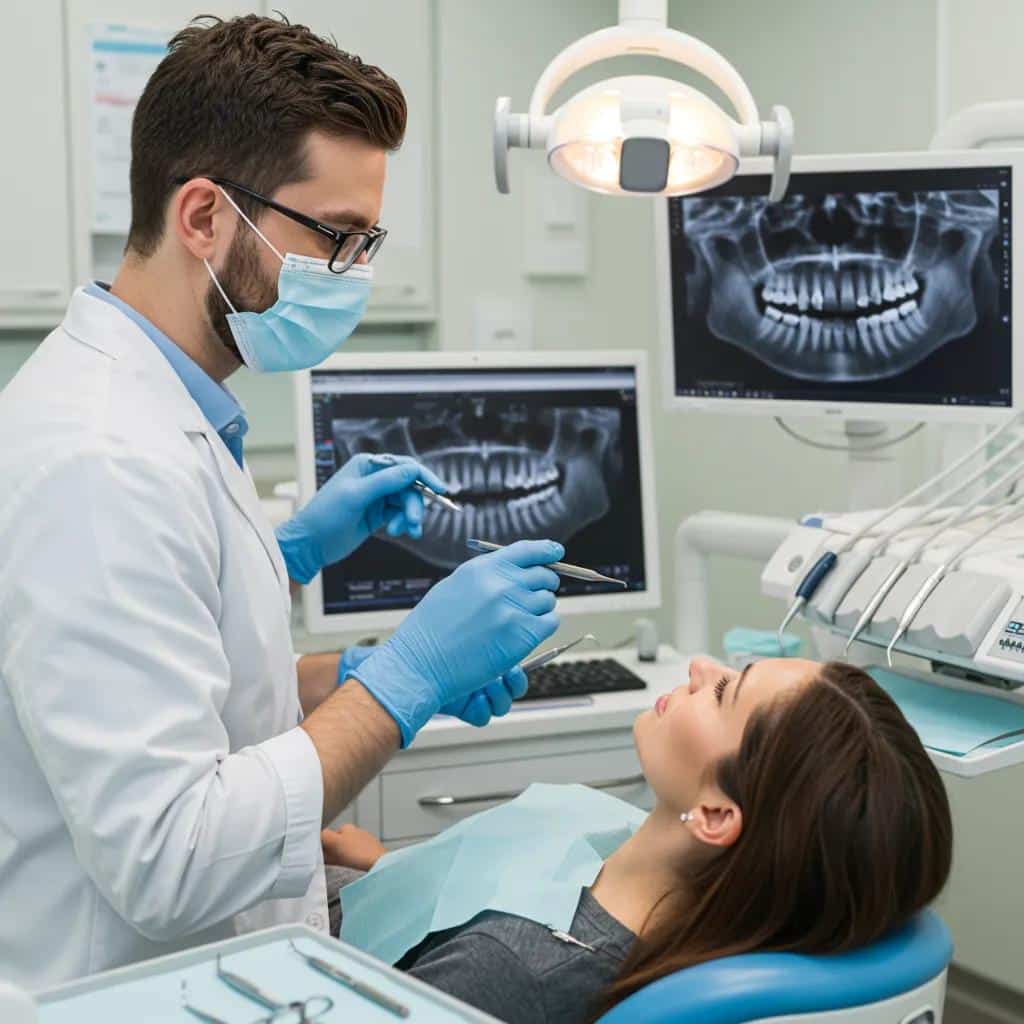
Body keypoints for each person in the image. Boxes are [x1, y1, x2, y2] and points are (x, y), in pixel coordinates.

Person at [0, 15, 562, 987]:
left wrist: (320, 621)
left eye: (366, 241)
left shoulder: (157, 407)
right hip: (121, 988)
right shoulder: (102, 460)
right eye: (335, 238)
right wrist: (404, 683)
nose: (352, 274)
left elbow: (182, 661)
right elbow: (171, 856)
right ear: (205, 217)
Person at [323, 656, 953, 1024]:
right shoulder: (675, 890)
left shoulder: (513, 971)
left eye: (724, 691)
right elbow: (511, 885)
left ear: (713, 816)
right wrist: (393, 868)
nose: (701, 667)